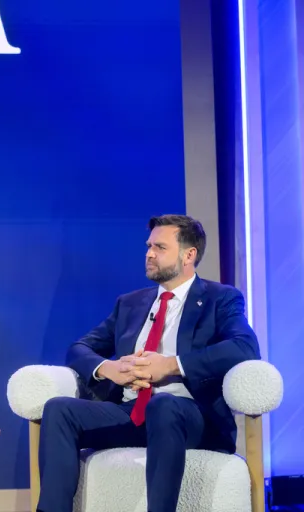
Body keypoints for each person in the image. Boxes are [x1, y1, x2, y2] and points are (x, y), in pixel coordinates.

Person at [37, 215, 260, 512]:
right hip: (132, 412)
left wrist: (170, 365)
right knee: (59, 409)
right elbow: (80, 348)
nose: (149, 254)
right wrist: (110, 369)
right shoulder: (130, 303)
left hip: (189, 417)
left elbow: (245, 347)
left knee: (163, 405)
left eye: (160, 247)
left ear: (189, 255)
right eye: (149, 246)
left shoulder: (219, 299)